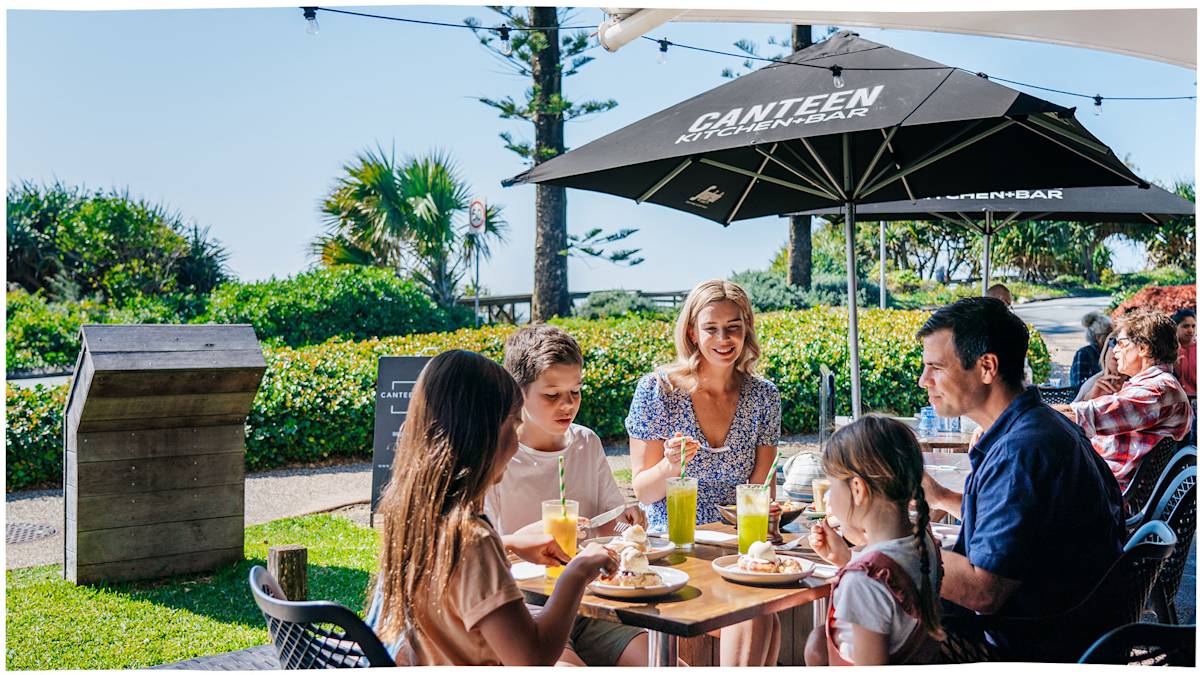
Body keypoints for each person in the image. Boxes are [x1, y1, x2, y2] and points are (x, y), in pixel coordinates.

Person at [367, 349, 619, 666]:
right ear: (481, 434)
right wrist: (578, 571)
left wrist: (508, 544)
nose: (516, 445)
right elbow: (532, 658)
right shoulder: (473, 540)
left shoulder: (415, 519)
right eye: (513, 427)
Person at [917, 297, 1123, 662]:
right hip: (1076, 631)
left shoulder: (1022, 451)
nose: (924, 381)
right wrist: (940, 497)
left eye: (935, 367)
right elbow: (1022, 527)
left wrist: (887, 545)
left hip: (1028, 647)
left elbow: (983, 591)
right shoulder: (1040, 425)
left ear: (986, 367)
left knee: (868, 630)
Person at [625, 278, 782, 666]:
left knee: (768, 616)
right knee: (754, 615)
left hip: (737, 545)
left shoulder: (764, 396)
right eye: (712, 328)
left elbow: (763, 485)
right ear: (693, 332)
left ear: (747, 328)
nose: (724, 338)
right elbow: (644, 491)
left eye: (733, 327)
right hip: (675, 547)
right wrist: (670, 465)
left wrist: (772, 512)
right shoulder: (658, 390)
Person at [484, 325, 650, 666]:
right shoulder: (497, 454)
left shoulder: (585, 443)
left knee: (663, 665)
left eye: (575, 392)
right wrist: (520, 539)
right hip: (525, 605)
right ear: (518, 393)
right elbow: (477, 547)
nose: (568, 405)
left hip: (591, 600)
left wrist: (626, 524)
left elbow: (609, 526)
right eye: (552, 395)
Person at [803, 416, 944, 666]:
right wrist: (846, 559)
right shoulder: (924, 544)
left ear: (857, 490)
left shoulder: (862, 583)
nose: (829, 500)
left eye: (832, 487)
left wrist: (854, 567)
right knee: (817, 641)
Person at [1057, 310, 1193, 490]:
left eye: (1121, 343)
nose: (1114, 350)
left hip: (1111, 496)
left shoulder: (1156, 390)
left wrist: (1025, 411)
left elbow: (1081, 416)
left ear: (1144, 348)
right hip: (1102, 482)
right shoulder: (1156, 386)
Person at [1072, 332, 1128, 402]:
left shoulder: (1137, 385)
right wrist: (1088, 399)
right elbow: (1071, 410)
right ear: (1105, 352)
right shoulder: (1092, 384)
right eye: (1113, 342)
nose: (1116, 349)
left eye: (1124, 344)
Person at [1070, 311, 1112, 389]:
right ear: (1098, 337)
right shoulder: (1084, 354)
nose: (1112, 338)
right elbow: (1078, 384)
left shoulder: (1112, 352)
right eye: (1108, 334)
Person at [1173, 308, 1196, 396]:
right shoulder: (1168, 351)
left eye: (1193, 326)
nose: (1191, 330)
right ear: (1175, 327)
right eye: (1185, 326)